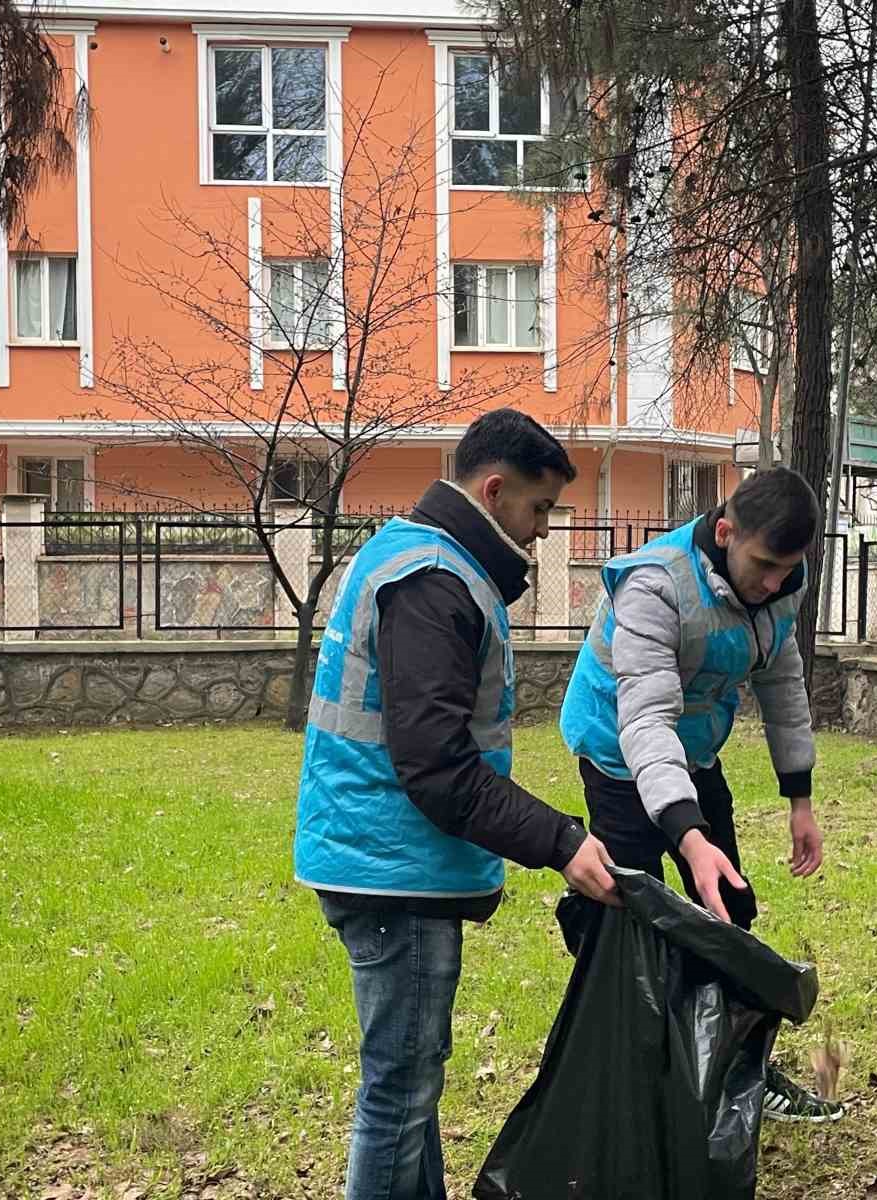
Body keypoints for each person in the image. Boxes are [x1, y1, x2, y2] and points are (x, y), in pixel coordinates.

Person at [294, 409, 619, 1200]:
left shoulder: (425, 559)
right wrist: (563, 841)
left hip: (389, 859)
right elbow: (437, 768)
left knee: (411, 1086)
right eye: (540, 510)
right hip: (391, 869)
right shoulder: (434, 582)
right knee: (397, 1096)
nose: (543, 532)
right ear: (496, 489)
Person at [558, 464, 844, 1124]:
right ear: (725, 532)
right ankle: (640, 1077)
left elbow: (781, 683)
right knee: (632, 920)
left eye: (789, 569)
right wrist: (690, 836)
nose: (776, 583)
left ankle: (742, 1070)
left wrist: (798, 799)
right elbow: (646, 720)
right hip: (618, 747)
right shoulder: (654, 586)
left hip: (691, 750)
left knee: (728, 907)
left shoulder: (781, 585)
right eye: (766, 564)